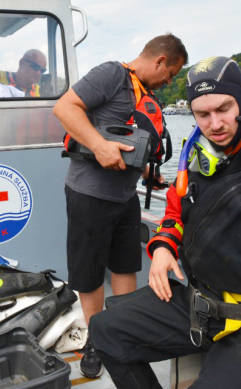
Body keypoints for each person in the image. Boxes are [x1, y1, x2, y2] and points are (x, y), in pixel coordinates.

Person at [89, 54, 241, 388]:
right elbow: (175, 216)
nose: (215, 124)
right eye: (202, 114)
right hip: (202, 304)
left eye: (225, 109)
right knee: (105, 329)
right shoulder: (195, 161)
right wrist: (163, 248)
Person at [52, 33, 188, 378]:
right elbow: (64, 107)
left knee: (126, 266)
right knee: (90, 273)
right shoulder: (112, 74)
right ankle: (96, 340)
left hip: (125, 198)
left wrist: (147, 175)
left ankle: (121, 333)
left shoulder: (146, 94)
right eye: (171, 74)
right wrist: (98, 145)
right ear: (159, 61)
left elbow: (127, 143)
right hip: (89, 195)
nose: (169, 81)